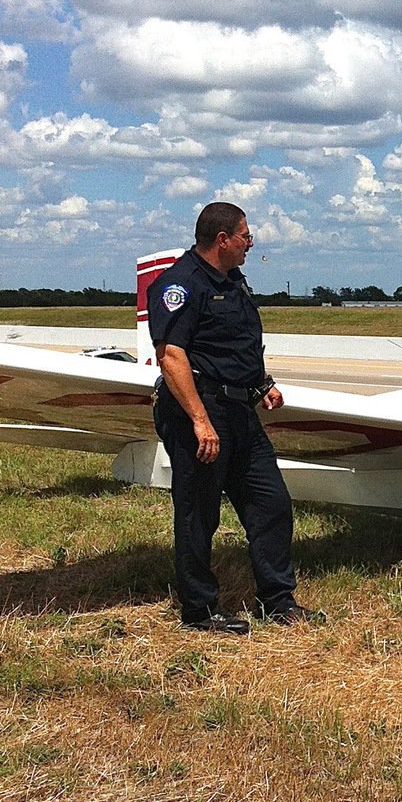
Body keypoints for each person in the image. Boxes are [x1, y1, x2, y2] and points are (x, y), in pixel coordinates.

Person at [149, 202, 321, 634]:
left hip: (240, 412)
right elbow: (172, 356)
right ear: (222, 239)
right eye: (246, 235)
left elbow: (233, 345)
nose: (252, 242)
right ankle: (199, 611)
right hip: (201, 412)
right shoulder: (181, 285)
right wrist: (199, 421)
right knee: (198, 514)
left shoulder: (233, 281)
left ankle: (277, 601)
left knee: (272, 504)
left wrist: (262, 384)